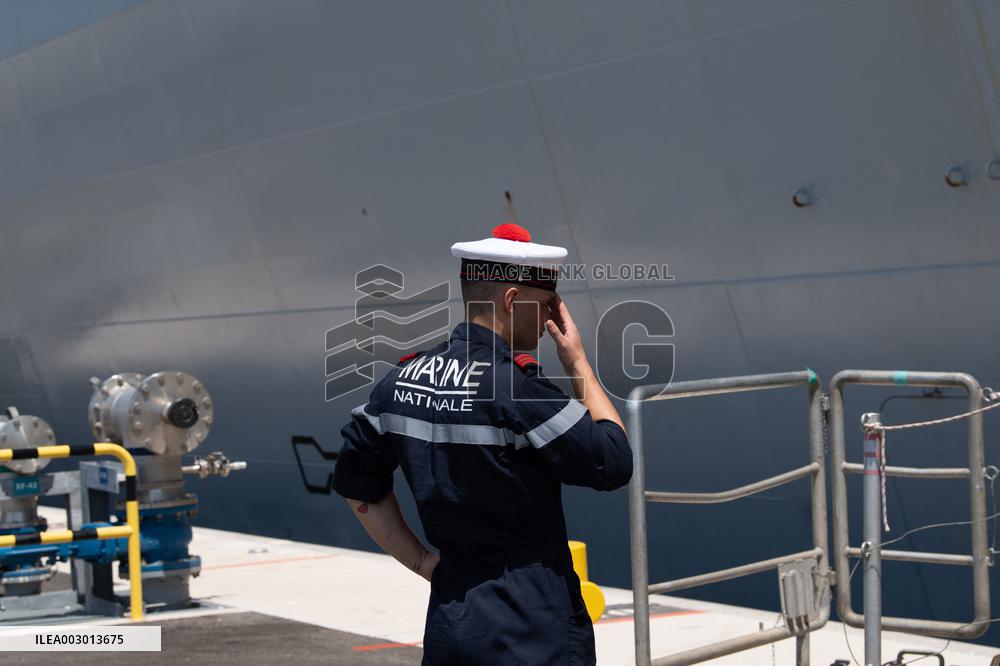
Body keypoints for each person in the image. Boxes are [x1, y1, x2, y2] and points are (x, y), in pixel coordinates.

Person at [333, 222, 633, 665]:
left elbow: (359, 488)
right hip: (531, 628)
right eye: (548, 302)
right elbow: (613, 460)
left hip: (452, 625)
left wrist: (421, 562)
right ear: (512, 301)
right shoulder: (517, 389)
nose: (553, 316)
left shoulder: (399, 381)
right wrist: (579, 364)